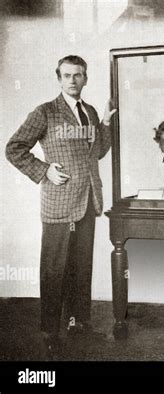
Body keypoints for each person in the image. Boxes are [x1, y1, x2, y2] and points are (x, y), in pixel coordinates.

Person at [5, 55, 117, 353]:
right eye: (66, 75)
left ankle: (80, 325)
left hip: (88, 202)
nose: (72, 80)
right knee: (55, 269)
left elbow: (98, 152)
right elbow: (14, 148)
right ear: (58, 78)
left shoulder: (91, 112)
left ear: (85, 78)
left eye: (78, 75)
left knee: (82, 267)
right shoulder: (45, 112)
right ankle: (49, 333)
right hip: (59, 204)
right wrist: (44, 170)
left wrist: (105, 122)